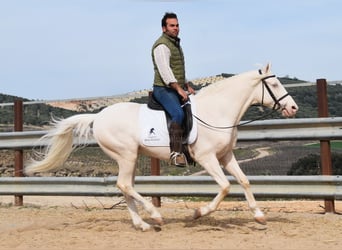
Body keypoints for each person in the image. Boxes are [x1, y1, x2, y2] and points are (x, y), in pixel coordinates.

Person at [151, 12, 195, 167]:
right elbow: (165, 72)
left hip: (175, 86)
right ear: (164, 28)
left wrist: (186, 85)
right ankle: (176, 153)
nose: (176, 28)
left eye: (177, 25)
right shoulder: (162, 45)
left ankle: (188, 146)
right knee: (177, 113)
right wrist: (178, 89)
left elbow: (177, 69)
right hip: (163, 89)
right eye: (172, 25)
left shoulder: (175, 44)